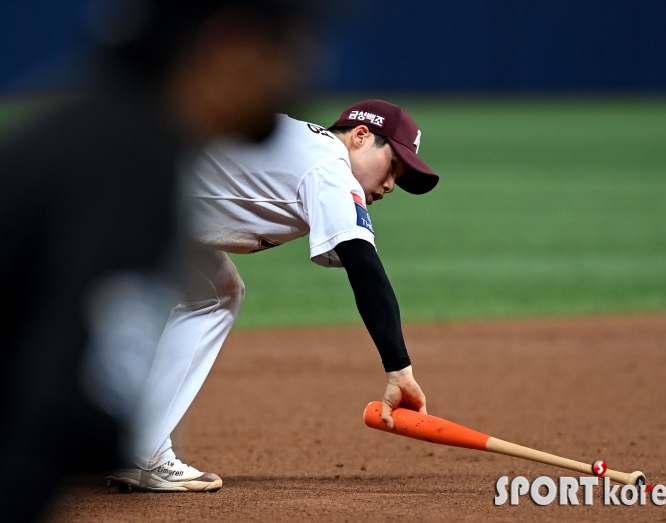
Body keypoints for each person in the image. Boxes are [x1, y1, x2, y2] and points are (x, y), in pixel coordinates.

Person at [0, 0, 314, 519]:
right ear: (229, 46)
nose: (305, 64)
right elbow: (57, 411)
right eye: (289, 44)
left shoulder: (101, 127)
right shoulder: (131, 161)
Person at [106, 99, 440, 493]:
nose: (390, 185)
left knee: (218, 294)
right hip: (118, 189)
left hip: (135, 186)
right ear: (361, 136)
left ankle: (133, 446)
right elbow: (364, 268)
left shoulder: (309, 151)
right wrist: (398, 368)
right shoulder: (330, 168)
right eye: (393, 167)